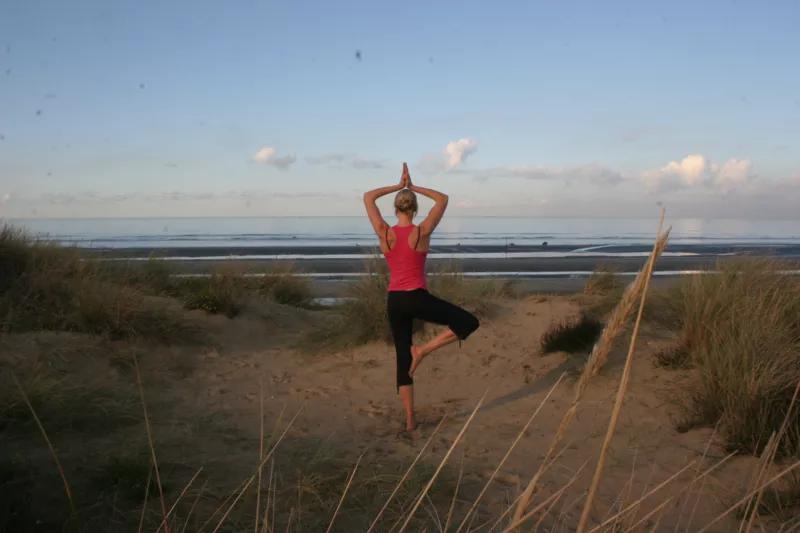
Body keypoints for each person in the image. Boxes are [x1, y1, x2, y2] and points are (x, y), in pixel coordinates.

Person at [363, 162, 480, 435]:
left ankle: (410, 420)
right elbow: (443, 199)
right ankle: (424, 351)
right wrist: (412, 186)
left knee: (402, 358)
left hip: (395, 301)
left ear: (395, 208)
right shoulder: (421, 232)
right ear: (414, 209)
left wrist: (398, 185)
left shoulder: (385, 232)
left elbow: (368, 197)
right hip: (417, 297)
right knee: (468, 321)